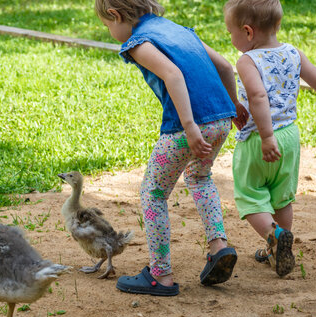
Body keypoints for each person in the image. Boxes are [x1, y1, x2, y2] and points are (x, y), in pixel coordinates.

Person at [94, 0, 247, 296]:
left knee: (153, 192)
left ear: (115, 15)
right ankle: (219, 247)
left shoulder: (138, 41)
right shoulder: (181, 31)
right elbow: (226, 66)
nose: (110, 30)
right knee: (200, 177)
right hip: (221, 119)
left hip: (187, 126)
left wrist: (189, 127)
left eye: (107, 25)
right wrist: (235, 104)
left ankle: (160, 275)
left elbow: (173, 75)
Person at [223, 0, 316, 276]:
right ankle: (279, 247)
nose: (230, 38)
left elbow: (257, 96)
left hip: (259, 139)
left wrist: (267, 136)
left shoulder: (247, 61)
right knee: (282, 198)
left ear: (247, 32)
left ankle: (275, 237)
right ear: (277, 25)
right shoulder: (293, 53)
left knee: (251, 196)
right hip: (290, 137)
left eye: (230, 32)